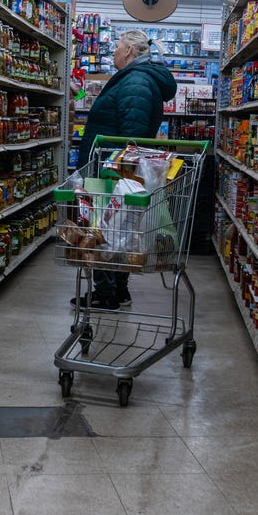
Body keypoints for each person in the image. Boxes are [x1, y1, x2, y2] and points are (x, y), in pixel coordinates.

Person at [71, 29, 178, 310]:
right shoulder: (136, 79)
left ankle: (106, 293)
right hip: (111, 168)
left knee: (106, 230)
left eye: (117, 47)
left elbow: (133, 136)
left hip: (112, 172)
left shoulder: (136, 82)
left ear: (129, 51)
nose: (114, 52)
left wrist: (116, 172)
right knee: (118, 230)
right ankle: (117, 290)